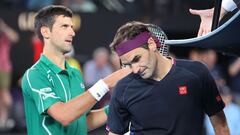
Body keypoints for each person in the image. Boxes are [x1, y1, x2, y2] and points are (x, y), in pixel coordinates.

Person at [21, 5, 131, 135]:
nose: (72, 32)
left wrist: (119, 107)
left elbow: (81, 122)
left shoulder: (75, 74)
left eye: (72, 27)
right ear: (46, 32)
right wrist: (106, 83)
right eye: (64, 26)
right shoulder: (34, 74)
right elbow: (64, 116)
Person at [106, 21, 230, 135]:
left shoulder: (197, 73)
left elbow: (221, 125)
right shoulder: (123, 88)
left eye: (137, 59)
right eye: (128, 65)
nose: (135, 69)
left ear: (151, 44)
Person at [0, 18, 19, 130]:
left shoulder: (5, 36)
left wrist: (3, 27)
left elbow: (15, 37)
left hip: (4, 68)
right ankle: (3, 119)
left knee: (5, 95)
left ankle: (10, 118)